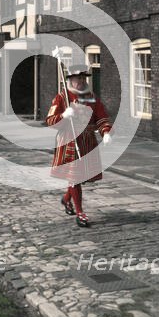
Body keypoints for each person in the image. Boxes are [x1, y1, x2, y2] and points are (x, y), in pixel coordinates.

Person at [46, 64, 112, 227]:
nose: (81, 81)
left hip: (87, 141)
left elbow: (101, 117)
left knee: (80, 176)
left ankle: (66, 199)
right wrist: (63, 115)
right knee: (75, 177)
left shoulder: (91, 97)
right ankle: (80, 212)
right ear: (71, 80)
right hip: (70, 141)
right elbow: (50, 121)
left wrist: (106, 132)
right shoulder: (62, 97)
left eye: (83, 78)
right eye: (78, 78)